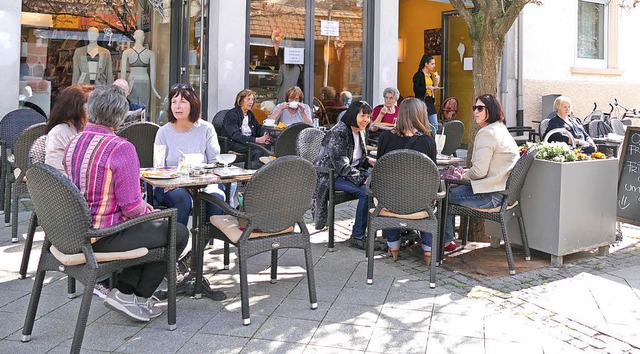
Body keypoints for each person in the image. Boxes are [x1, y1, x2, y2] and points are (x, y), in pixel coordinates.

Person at [63, 84, 189, 322]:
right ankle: (137, 296)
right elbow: (132, 207)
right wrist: (149, 212)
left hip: (73, 232)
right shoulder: (121, 148)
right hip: (102, 235)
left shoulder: (74, 142)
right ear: (120, 117)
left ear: (90, 111)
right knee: (176, 231)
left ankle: (125, 292)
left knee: (157, 228)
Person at [444, 94, 519, 257]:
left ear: (491, 110)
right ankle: (447, 240)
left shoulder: (487, 133)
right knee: (449, 190)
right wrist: (465, 174)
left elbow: (478, 172)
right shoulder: (500, 129)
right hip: (505, 194)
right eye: (474, 108)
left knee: (442, 194)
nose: (475, 112)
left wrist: (460, 176)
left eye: (480, 108)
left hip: (491, 196)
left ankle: (443, 242)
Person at [154, 83, 227, 226]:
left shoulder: (206, 129)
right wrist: (180, 182)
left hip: (203, 182)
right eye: (174, 102)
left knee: (216, 197)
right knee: (182, 198)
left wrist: (198, 180)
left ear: (193, 104)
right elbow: (158, 167)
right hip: (171, 185)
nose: (177, 106)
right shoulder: (163, 132)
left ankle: (200, 246)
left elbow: (214, 163)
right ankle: (176, 245)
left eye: (182, 102)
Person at [376, 98, 437, 262]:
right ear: (420, 115)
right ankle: (429, 250)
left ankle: (393, 245)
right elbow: (432, 175)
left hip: (389, 201)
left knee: (390, 192)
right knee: (430, 198)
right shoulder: (428, 141)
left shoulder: (384, 138)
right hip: (419, 202)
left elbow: (379, 171)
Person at [313, 101, 373, 250]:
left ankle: (381, 232)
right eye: (363, 116)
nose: (366, 119)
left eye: (368, 116)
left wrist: (371, 162)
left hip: (348, 172)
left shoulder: (360, 130)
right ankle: (358, 236)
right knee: (366, 192)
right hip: (330, 175)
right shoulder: (339, 133)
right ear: (353, 115)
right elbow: (341, 164)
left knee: (380, 182)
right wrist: (361, 178)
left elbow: (357, 157)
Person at [45, 84, 95, 173]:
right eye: (91, 104)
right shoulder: (59, 133)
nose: (95, 110)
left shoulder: (81, 130)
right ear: (76, 108)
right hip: (67, 184)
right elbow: (56, 174)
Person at [223, 89, 271, 167]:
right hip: (234, 143)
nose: (251, 102)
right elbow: (235, 135)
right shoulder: (232, 114)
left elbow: (258, 127)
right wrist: (256, 140)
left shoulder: (250, 114)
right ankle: (253, 173)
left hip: (249, 142)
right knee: (257, 150)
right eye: (248, 99)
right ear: (240, 100)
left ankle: (264, 171)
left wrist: (265, 134)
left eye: (252, 99)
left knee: (267, 146)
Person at [120, 29, 161, 108]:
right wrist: (153, 87)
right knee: (143, 106)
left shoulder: (127, 52)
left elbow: (123, 73)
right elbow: (153, 73)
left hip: (132, 81)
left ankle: (134, 119)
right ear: (143, 38)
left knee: (132, 106)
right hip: (144, 81)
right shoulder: (150, 53)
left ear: (134, 37)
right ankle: (142, 119)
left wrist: (123, 87)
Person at [412, 54, 440, 134]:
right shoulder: (418, 75)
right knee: (422, 124)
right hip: (421, 102)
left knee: (434, 124)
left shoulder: (431, 75)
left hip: (430, 101)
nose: (434, 66)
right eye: (432, 64)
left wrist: (434, 88)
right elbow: (416, 90)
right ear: (426, 64)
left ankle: (435, 142)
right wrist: (427, 88)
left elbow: (430, 88)